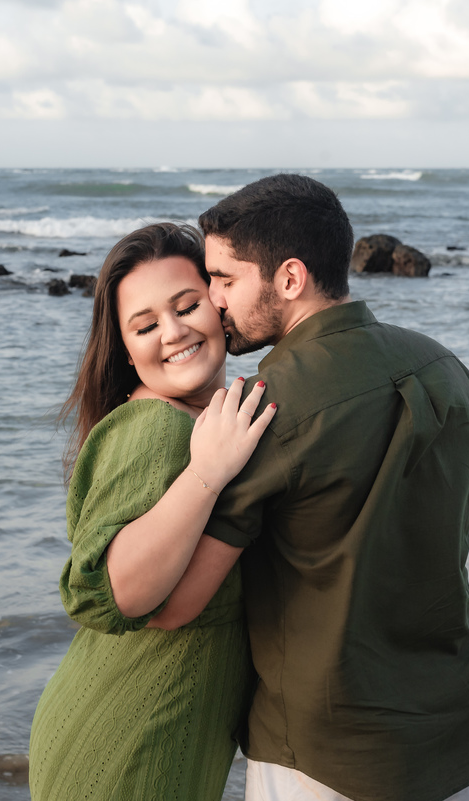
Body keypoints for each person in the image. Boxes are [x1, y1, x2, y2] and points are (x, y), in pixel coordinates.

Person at [183, 174, 469, 801]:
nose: (211, 299)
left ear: (290, 278)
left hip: (329, 757)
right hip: (460, 729)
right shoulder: (446, 367)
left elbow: (177, 604)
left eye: (224, 278)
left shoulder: (262, 409)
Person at [27, 222, 275, 801]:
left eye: (187, 306)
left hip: (156, 735)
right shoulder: (157, 427)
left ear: (219, 304)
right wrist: (207, 475)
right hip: (127, 748)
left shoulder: (198, 422)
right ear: (126, 348)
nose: (173, 332)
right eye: (145, 325)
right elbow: (120, 592)